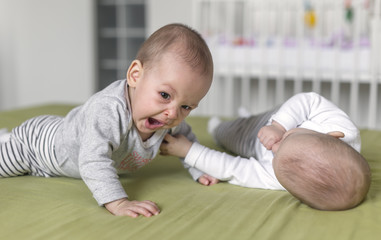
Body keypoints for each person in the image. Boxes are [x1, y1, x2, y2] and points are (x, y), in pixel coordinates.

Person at [0, 23, 215, 218]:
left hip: (63, 140)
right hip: (35, 147)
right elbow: (93, 159)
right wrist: (119, 202)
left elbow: (185, 141)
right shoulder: (109, 110)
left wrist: (199, 168)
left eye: (186, 106)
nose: (173, 113)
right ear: (135, 75)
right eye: (165, 95)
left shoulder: (167, 117)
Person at [160, 92, 371, 210]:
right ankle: (249, 117)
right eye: (288, 139)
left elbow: (235, 168)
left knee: (230, 134)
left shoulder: (286, 179)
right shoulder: (341, 127)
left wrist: (187, 151)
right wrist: (279, 126)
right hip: (278, 118)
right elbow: (308, 100)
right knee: (259, 120)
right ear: (332, 136)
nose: (273, 146)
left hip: (250, 140)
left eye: (277, 156)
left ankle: (216, 128)